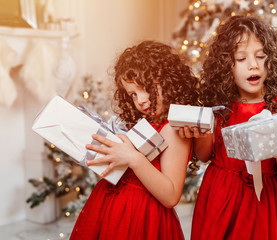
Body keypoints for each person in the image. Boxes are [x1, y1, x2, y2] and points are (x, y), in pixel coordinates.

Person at [179, 16, 277, 239]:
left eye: (261, 56)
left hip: (266, 201)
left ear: (271, 60)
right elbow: (205, 156)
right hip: (221, 198)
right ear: (227, 65)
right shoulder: (218, 107)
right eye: (241, 58)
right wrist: (202, 134)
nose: (253, 64)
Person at [70, 40, 199, 240]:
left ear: (168, 79)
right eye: (132, 94)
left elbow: (171, 195)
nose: (140, 100)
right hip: (110, 207)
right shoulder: (145, 121)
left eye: (145, 88)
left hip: (142, 217)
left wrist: (133, 158)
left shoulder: (174, 128)